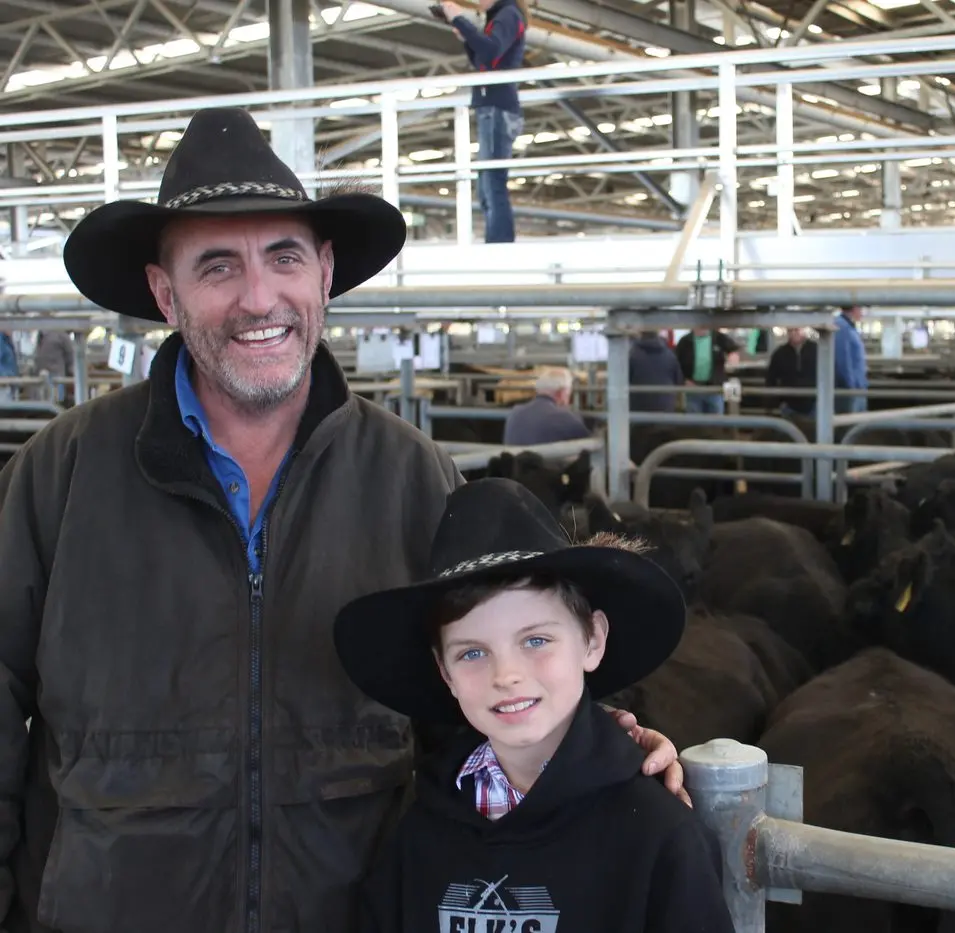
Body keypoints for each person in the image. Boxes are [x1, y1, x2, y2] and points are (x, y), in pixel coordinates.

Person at [0, 106, 684, 932]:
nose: (260, 297)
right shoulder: (61, 474)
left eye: (283, 257)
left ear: (323, 272)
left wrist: (599, 747)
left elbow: (484, 699)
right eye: (216, 266)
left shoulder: (410, 477)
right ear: (163, 292)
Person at [337, 478, 735, 932]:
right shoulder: (415, 832)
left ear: (593, 640)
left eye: (536, 640)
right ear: (444, 671)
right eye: (472, 652)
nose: (505, 675)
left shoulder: (661, 839)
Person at [440, 0, 528, 243]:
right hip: (492, 106)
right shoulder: (502, 15)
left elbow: (490, 52)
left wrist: (461, 21)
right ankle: (497, 242)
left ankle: (499, 245)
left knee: (492, 184)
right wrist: (466, 37)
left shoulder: (508, 15)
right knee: (488, 186)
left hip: (497, 106)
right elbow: (484, 60)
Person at [502, 365, 592, 445]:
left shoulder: (514, 413)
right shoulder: (564, 416)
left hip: (515, 463)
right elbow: (587, 442)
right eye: (568, 394)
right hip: (544, 463)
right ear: (562, 392)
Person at [675, 328, 738, 415]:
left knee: (716, 421)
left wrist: (732, 356)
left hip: (715, 389)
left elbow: (733, 349)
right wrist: (684, 380)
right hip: (693, 390)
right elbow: (676, 365)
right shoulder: (685, 341)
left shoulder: (718, 337)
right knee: (694, 422)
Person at [764, 327, 817, 416]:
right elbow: (771, 379)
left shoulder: (816, 350)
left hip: (813, 403)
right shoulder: (779, 353)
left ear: (803, 330)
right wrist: (774, 403)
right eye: (790, 330)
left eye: (796, 329)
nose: (794, 333)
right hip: (789, 405)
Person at [628, 330, 684, 412]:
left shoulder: (632, 355)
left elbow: (623, 381)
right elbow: (679, 381)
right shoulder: (670, 355)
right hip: (665, 405)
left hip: (638, 406)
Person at [833, 306, 868, 414]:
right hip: (851, 391)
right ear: (854, 309)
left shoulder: (849, 326)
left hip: (857, 388)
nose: (862, 312)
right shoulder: (841, 326)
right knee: (851, 426)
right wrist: (851, 387)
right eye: (861, 309)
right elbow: (842, 361)